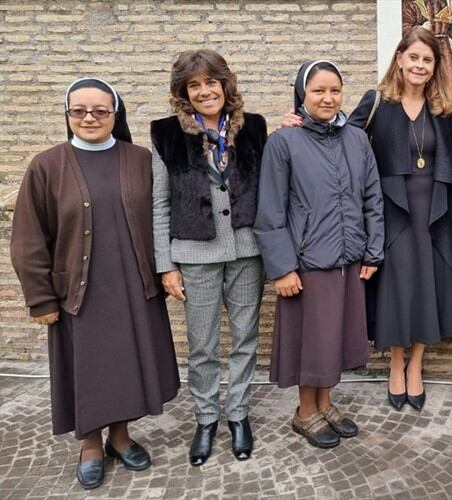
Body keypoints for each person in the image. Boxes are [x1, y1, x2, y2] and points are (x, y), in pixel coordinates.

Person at [10, 78, 180, 490]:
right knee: (87, 371)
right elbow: (28, 238)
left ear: (115, 115)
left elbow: (163, 216)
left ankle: (120, 438)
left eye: (100, 111)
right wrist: (40, 298)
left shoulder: (140, 159)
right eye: (79, 110)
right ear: (67, 114)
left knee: (126, 366)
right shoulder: (47, 165)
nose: (89, 118)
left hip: (132, 287)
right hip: (78, 292)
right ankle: (90, 445)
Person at [349, 27, 452, 412]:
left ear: (434, 66)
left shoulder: (443, 108)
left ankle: (417, 364)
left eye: (427, 60)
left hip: (436, 212)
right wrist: (300, 122)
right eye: (414, 57)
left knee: (429, 286)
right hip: (392, 212)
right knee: (396, 286)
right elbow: (340, 135)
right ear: (400, 59)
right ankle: (395, 363)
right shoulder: (377, 101)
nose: (420, 65)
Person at [255, 60, 384, 449]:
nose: (328, 98)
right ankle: (305, 411)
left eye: (335, 90)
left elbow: (372, 198)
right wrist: (282, 268)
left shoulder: (357, 139)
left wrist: (372, 252)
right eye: (318, 91)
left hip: (349, 257)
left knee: (333, 339)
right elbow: (271, 210)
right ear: (302, 95)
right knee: (310, 341)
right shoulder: (284, 142)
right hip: (306, 262)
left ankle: (326, 403)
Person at [151, 49, 267, 465]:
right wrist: (166, 265)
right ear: (183, 93)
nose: (204, 91)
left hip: (247, 251)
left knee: (245, 338)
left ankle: (238, 414)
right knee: (202, 344)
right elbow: (159, 204)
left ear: (224, 84)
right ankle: (205, 418)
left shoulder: (254, 128)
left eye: (210, 82)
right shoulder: (165, 134)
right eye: (194, 85)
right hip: (195, 253)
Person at [402, 0, 452, 103]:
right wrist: (421, 29)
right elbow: (404, 29)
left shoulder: (441, 2)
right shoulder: (410, 4)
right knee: (427, 89)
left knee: (449, 89)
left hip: (443, 51)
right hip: (422, 51)